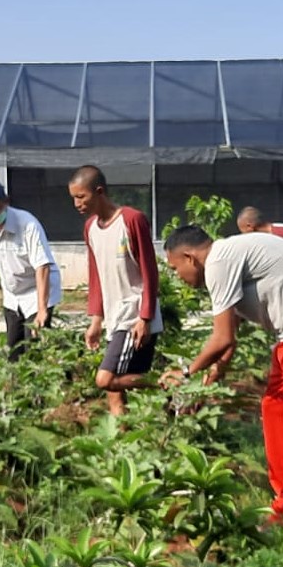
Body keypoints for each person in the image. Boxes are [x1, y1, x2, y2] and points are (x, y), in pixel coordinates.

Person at [162, 226, 283, 521]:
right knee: (274, 407)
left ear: (189, 257)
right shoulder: (225, 259)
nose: (177, 277)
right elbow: (230, 342)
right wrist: (203, 388)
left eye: (175, 269)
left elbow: (221, 338)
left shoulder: (218, 262)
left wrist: (185, 372)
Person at [68, 165, 163, 415]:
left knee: (105, 379)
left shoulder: (131, 220)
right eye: (73, 198)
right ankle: (121, 446)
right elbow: (96, 275)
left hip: (133, 317)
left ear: (99, 192)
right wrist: (96, 321)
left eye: (81, 197)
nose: (76, 203)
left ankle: (168, 382)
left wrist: (145, 318)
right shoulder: (91, 228)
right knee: (115, 395)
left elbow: (150, 272)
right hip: (113, 317)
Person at [0, 178, 63, 359]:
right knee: (13, 349)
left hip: (38, 291)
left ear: (6, 201)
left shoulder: (28, 225)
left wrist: (42, 309)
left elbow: (42, 267)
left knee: (34, 347)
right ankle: (17, 385)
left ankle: (54, 380)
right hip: (12, 295)